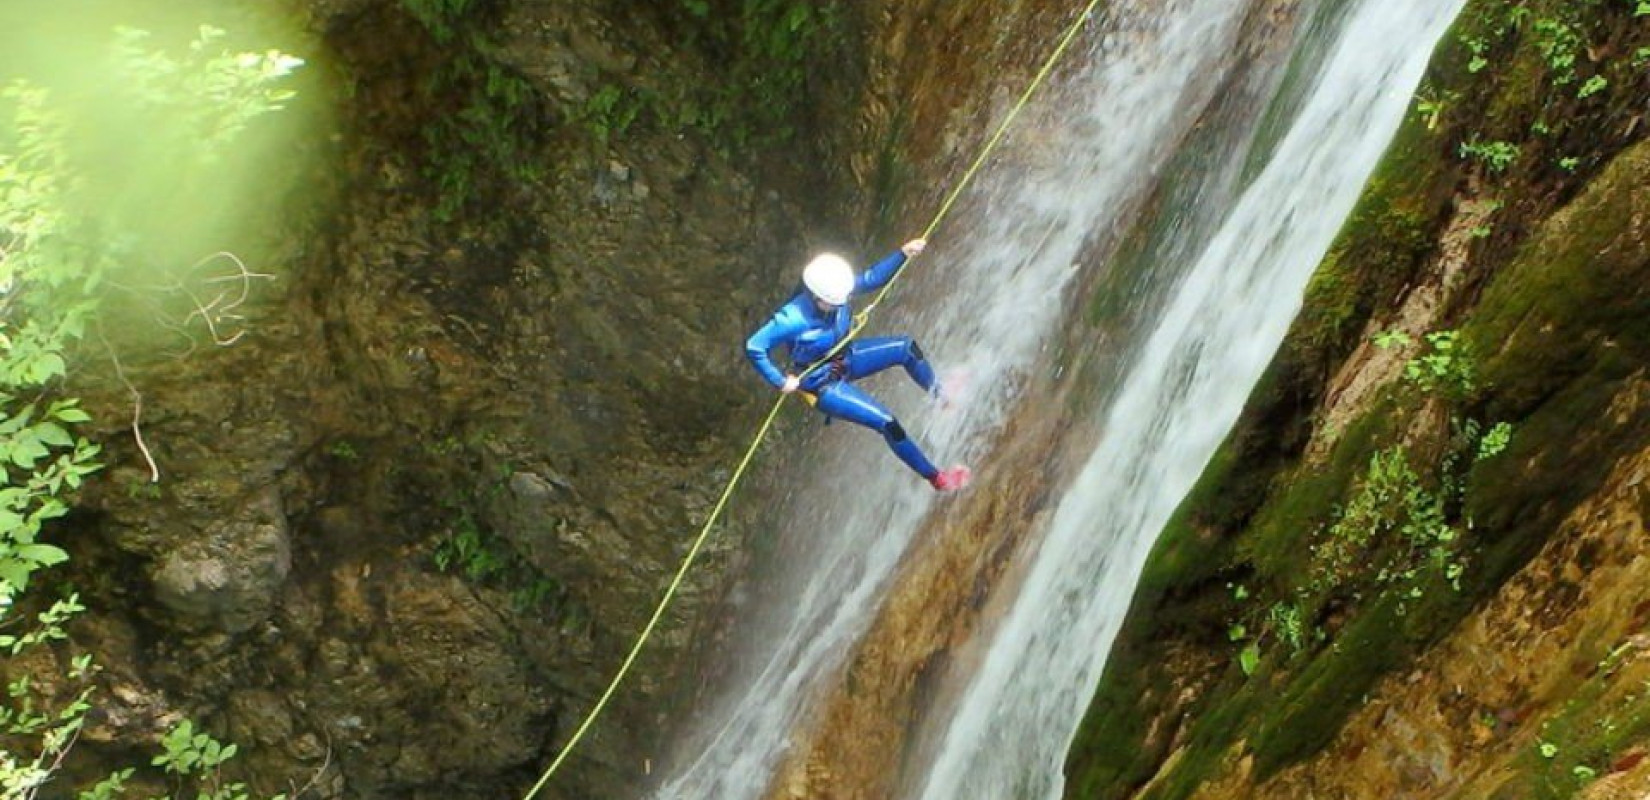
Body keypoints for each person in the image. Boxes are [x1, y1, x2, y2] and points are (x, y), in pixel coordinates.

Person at [745, 238, 970, 492]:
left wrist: (902, 254)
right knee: (887, 423)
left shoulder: (836, 285)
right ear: (817, 297)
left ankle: (941, 395)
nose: (841, 304)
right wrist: (780, 380)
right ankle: (938, 478)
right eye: (835, 302)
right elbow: (755, 346)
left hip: (846, 357)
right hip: (823, 385)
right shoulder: (791, 318)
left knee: (906, 348)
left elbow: (871, 279)